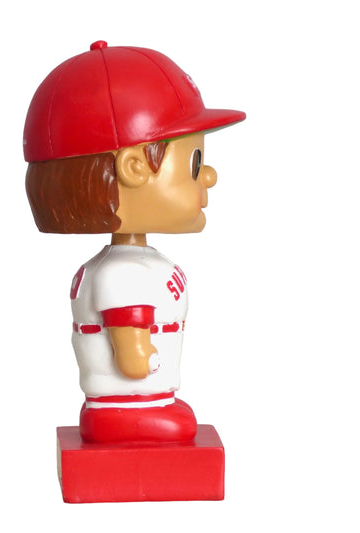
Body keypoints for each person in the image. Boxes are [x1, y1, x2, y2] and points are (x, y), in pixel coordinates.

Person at [24, 41, 245, 442]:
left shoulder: (125, 264)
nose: (209, 175)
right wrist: (145, 359)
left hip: (145, 400)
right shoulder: (123, 273)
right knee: (183, 428)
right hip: (126, 408)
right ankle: (128, 422)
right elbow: (133, 361)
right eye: (195, 163)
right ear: (134, 167)